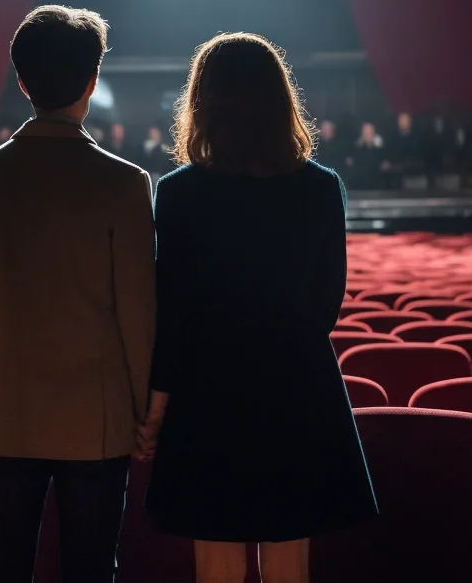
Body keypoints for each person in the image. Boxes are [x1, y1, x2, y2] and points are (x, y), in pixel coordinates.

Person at [137, 33, 376, 583]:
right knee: (290, 558)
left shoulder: (178, 193)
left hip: (206, 392)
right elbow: (326, 302)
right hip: (297, 384)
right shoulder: (320, 189)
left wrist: (154, 412)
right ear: (280, 100)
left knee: (216, 559)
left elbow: (171, 315)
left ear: (202, 104)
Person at [0, 4, 156, 583]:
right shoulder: (124, 183)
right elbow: (137, 314)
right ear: (91, 82)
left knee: (4, 567)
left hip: (6, 406)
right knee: (91, 570)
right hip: (97, 417)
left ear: (21, 81)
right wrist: (144, 413)